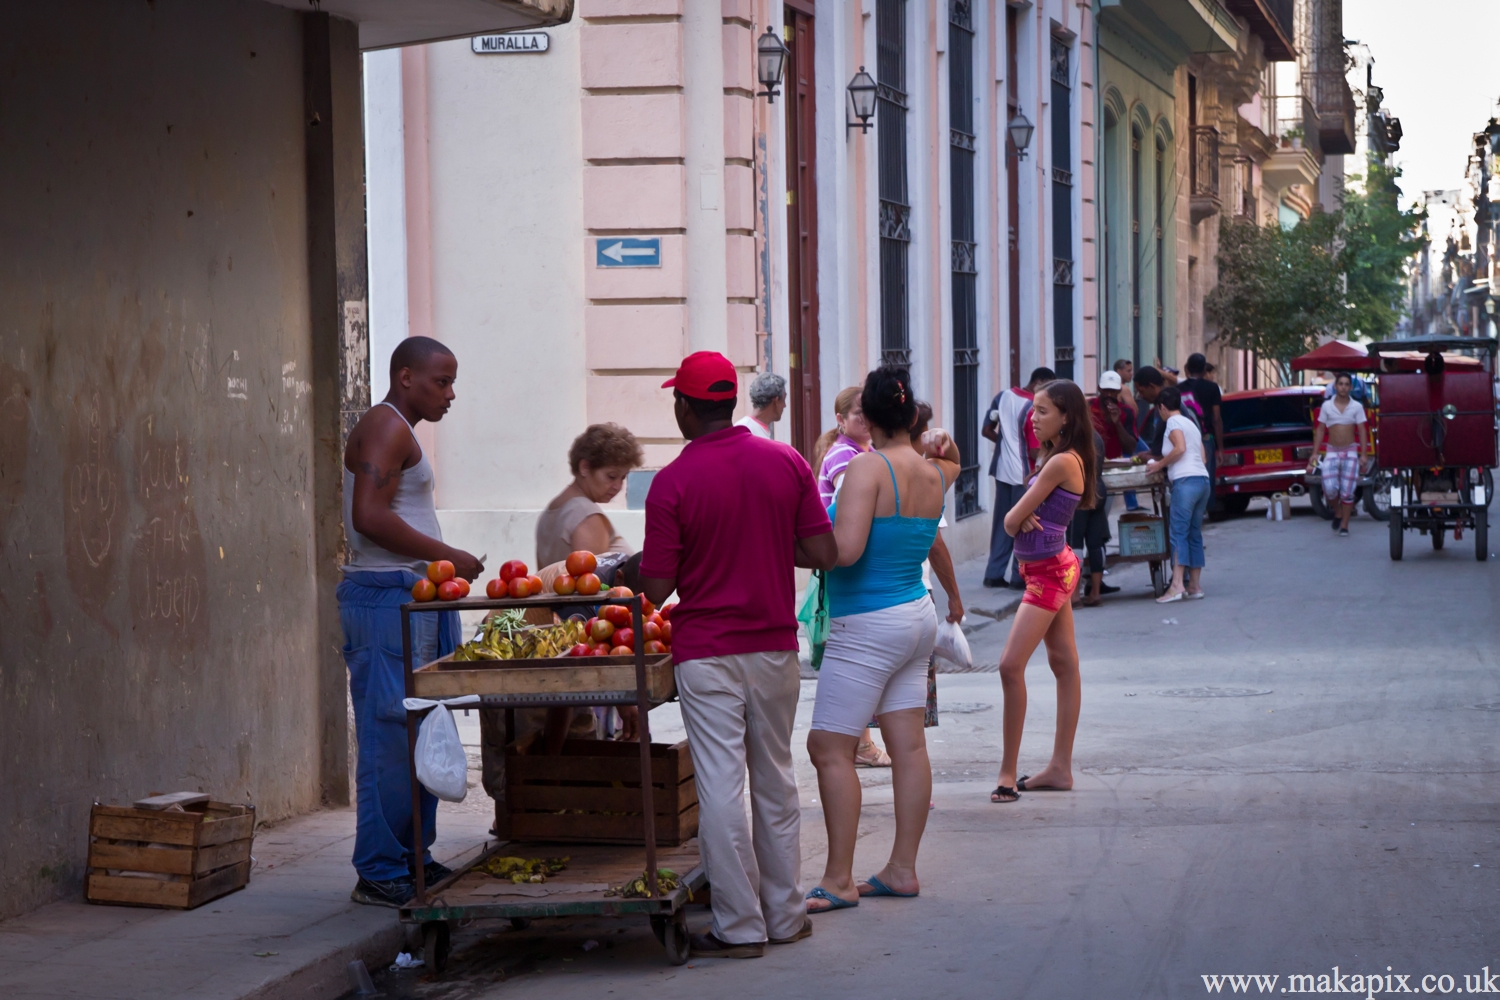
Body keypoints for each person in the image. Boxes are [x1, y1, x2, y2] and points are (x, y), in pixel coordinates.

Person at [640, 351, 837, 958]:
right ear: (728, 402)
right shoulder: (786, 461)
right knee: (775, 779)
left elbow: (654, 589)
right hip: (775, 647)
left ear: (683, 408)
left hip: (705, 654)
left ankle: (740, 927)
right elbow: (822, 553)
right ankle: (786, 915)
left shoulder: (671, 482)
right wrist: (768, 542)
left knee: (721, 788)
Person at [805, 367, 960, 912]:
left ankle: (839, 879)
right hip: (917, 614)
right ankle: (901, 869)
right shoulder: (934, 471)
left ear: (867, 418)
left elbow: (843, 551)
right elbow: (955, 461)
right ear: (913, 416)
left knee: (827, 747)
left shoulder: (868, 467)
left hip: (867, 623)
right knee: (909, 745)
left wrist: (786, 543)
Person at [339, 337, 485, 907]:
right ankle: (378, 868)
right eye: (440, 382)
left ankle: (412, 857)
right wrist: (446, 557)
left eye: (451, 383)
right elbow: (369, 516)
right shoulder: (387, 425)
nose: (449, 395)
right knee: (389, 738)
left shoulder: (400, 428)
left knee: (422, 731)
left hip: (414, 597)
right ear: (405, 377)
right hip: (385, 601)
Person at [990, 380, 1095, 803]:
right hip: (1052, 568)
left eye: (1043, 411)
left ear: (1067, 416)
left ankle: (1007, 774)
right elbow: (1021, 518)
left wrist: (1022, 516)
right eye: (1032, 410)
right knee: (1064, 665)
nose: (1033, 418)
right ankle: (1059, 769)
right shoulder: (1052, 456)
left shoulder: (1059, 462)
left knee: (1009, 666)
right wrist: (1026, 516)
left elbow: (1010, 520)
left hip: (1050, 575)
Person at [812, 386, 890, 768]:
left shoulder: (865, 454)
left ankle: (860, 741)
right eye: (857, 415)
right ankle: (858, 743)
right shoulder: (845, 456)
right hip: (851, 570)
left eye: (868, 414)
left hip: (854, 569)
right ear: (841, 420)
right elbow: (861, 507)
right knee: (856, 662)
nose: (865, 421)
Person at [981, 367, 1053, 589]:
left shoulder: (1002, 396)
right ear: (1039, 382)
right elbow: (1033, 450)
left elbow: (986, 430)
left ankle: (993, 574)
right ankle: (1018, 577)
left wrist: (1004, 444)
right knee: (1024, 525)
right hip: (1025, 474)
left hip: (1002, 471)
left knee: (1002, 524)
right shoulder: (1034, 408)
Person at [1147, 386, 1211, 602]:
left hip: (1185, 482)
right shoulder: (1190, 423)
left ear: (1162, 407)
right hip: (1202, 481)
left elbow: (1180, 448)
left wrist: (1159, 465)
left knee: (1178, 533)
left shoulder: (1172, 423)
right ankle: (1194, 586)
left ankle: (1176, 585)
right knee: (1194, 533)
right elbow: (1202, 457)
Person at [1307, 372, 1369, 537]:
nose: (1343, 387)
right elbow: (1320, 430)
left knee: (1347, 492)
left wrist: (1363, 455)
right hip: (1332, 452)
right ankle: (1338, 512)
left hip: (1350, 452)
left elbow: (1362, 431)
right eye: (1340, 384)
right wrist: (1314, 453)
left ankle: (1345, 525)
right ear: (1335, 386)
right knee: (1329, 488)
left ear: (1350, 387)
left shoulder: (1357, 407)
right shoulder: (1327, 406)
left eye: (1346, 384)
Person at [1068, 429, 1113, 607]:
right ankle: (1095, 593)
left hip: (1079, 492)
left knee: (1075, 542)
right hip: (1098, 489)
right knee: (1095, 542)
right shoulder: (1096, 436)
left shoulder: (1072, 437)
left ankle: (1075, 596)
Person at [813, 386, 870, 507]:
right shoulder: (841, 452)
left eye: (872, 412)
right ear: (841, 420)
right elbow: (853, 502)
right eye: (860, 413)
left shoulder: (870, 450)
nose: (868, 419)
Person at [1178, 353, 1224, 495]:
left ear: (1187, 368)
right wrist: (1220, 447)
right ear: (1204, 369)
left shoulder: (1178, 389)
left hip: (1184, 440)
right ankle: (1205, 508)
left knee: (1187, 475)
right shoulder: (1212, 388)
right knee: (1206, 476)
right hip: (1205, 439)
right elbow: (1216, 418)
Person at [1088, 370, 1138, 460]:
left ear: (1119, 390)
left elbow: (1130, 448)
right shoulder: (1087, 407)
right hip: (1090, 462)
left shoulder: (1127, 411)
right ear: (1099, 388)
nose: (1109, 395)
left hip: (1115, 463)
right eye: (1106, 390)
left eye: (1113, 391)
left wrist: (1118, 423)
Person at [737, 371, 788, 439]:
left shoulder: (756, 428)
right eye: (783, 400)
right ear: (776, 401)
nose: (785, 405)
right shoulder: (743, 430)